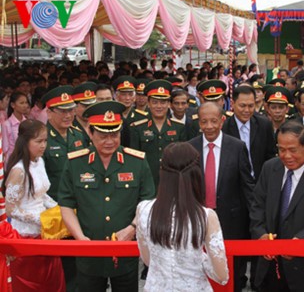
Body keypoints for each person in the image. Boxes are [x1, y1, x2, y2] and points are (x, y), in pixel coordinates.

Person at [58, 101, 155, 292]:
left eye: (114, 134)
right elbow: (66, 204)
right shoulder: (76, 163)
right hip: (88, 251)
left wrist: (132, 228)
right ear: (90, 133)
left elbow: (148, 202)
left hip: (125, 251)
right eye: (103, 135)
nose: (109, 141)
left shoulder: (136, 162)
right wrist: (80, 238)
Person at [250, 121, 304, 291]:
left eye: (292, 150)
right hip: (271, 267)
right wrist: (260, 234)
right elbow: (257, 206)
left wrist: (300, 241)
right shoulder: (270, 168)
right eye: (281, 149)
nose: (286, 156)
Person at [135, 142, 228, 291]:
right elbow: (222, 276)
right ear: (196, 173)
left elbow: (148, 259)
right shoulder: (206, 216)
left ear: (162, 172)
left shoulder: (143, 209)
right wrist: (200, 259)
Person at [189, 102, 255, 291]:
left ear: (222, 121)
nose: (209, 126)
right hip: (197, 221)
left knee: (230, 272)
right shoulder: (190, 147)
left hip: (231, 221)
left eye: (213, 121)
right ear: (198, 123)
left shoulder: (237, 147)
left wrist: (256, 221)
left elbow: (247, 186)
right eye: (204, 122)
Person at [4, 119, 65, 291]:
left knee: (51, 280)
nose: (43, 145)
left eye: (45, 140)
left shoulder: (39, 161)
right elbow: (11, 209)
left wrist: (58, 209)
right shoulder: (18, 170)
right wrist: (40, 220)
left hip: (46, 231)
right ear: (25, 141)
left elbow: (41, 193)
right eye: (38, 141)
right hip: (26, 235)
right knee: (32, 282)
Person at [129, 80, 186, 189]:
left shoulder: (179, 127)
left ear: (169, 104)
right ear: (148, 104)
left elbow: (183, 159)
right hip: (146, 182)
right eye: (155, 102)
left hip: (172, 182)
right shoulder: (137, 128)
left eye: (163, 102)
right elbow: (134, 160)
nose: (159, 106)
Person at [222, 85, 276, 178]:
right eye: (242, 106)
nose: (247, 110)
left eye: (251, 106)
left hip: (260, 182)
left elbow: (270, 156)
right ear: (232, 104)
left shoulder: (264, 124)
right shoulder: (224, 128)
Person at [2, 91, 29, 162]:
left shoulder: (28, 122)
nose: (25, 106)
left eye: (26, 102)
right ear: (13, 105)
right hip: (13, 160)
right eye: (21, 103)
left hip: (26, 159)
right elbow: (5, 149)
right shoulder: (6, 124)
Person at [72, 82, 97, 146]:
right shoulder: (70, 128)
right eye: (85, 106)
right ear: (75, 107)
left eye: (91, 105)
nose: (89, 109)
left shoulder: (98, 125)